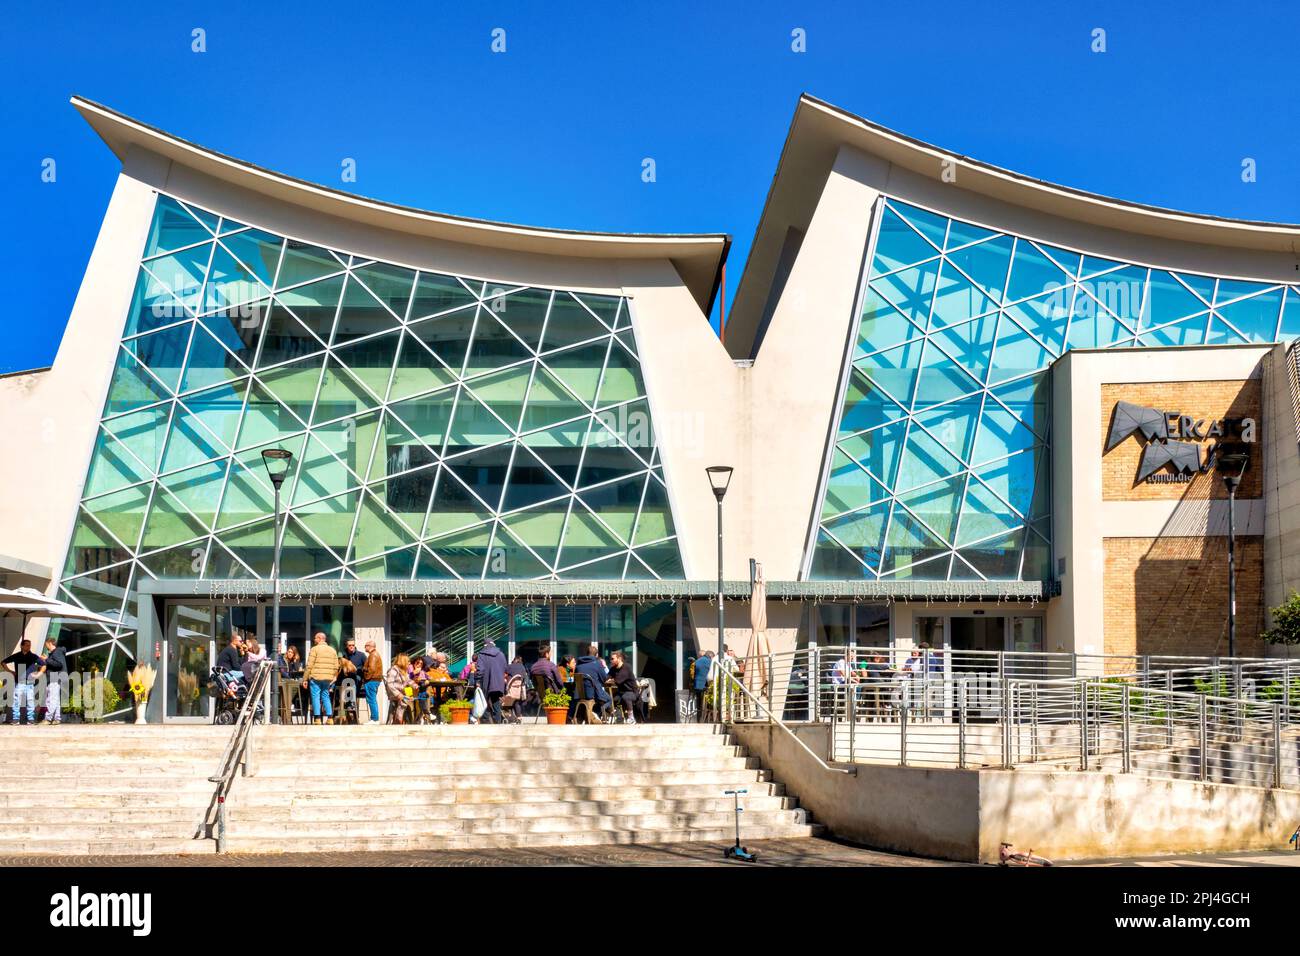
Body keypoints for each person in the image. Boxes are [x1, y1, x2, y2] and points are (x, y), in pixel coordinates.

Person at [2, 639, 42, 725]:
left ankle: (30, 719)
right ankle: (16, 719)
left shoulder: (33, 656)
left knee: (30, 700)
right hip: (19, 682)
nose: (29, 647)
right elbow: (3, 662)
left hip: (30, 682)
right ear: (22, 646)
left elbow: (44, 664)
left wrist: (39, 674)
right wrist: (10, 671)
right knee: (16, 701)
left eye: (29, 645)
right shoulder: (17, 656)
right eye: (27, 645)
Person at [303, 632, 340, 725]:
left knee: (315, 697)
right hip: (328, 678)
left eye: (315, 638)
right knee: (325, 696)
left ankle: (317, 718)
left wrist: (305, 679)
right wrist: (332, 676)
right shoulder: (332, 650)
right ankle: (330, 718)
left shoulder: (314, 649)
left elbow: (309, 665)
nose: (314, 640)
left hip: (316, 677)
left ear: (320, 638)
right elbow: (336, 666)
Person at [607, 650, 645, 724]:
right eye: (611, 659)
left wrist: (611, 680)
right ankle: (619, 717)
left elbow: (618, 680)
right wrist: (608, 679)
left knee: (626, 696)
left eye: (612, 659)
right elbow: (606, 678)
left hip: (633, 692)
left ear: (619, 658)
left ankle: (631, 718)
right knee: (610, 700)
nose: (611, 660)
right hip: (621, 693)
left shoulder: (626, 667)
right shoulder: (613, 669)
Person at [35, 637, 68, 725]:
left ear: (50, 643)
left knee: (51, 699)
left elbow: (59, 665)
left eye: (46, 644)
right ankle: (57, 718)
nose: (46, 646)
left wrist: (46, 660)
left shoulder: (57, 652)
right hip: (56, 678)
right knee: (55, 700)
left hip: (55, 678)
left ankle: (48, 718)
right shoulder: (56, 652)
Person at [575, 643, 611, 720]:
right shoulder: (597, 664)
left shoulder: (578, 664)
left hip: (580, 694)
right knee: (609, 699)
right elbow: (604, 678)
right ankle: (598, 713)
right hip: (594, 694)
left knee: (599, 698)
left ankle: (594, 715)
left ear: (587, 654)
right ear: (596, 655)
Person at [475, 641, 507, 724]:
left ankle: (486, 721)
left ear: (484, 645)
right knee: (496, 701)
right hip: (498, 682)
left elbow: (480, 669)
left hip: (485, 681)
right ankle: (497, 721)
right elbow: (505, 667)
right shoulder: (501, 654)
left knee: (483, 701)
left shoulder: (481, 655)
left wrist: (478, 679)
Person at [385, 653, 413, 725]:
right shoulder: (393, 670)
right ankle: (394, 723)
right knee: (399, 712)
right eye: (408, 661)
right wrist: (398, 694)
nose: (409, 663)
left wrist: (415, 686)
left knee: (408, 709)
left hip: (403, 694)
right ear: (403, 661)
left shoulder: (404, 671)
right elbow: (389, 684)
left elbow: (408, 682)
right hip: (395, 695)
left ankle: (403, 723)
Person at [362, 640, 384, 723]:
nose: (365, 647)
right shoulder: (374, 654)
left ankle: (374, 719)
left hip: (372, 680)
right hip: (374, 680)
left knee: (371, 699)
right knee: (372, 699)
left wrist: (366, 678)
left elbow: (372, 669)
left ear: (370, 646)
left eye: (366, 646)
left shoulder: (373, 655)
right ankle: (373, 718)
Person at [504, 654, 529, 722]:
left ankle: (509, 716)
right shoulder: (523, 667)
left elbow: (504, 673)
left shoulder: (510, 666)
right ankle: (518, 717)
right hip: (519, 691)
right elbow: (524, 679)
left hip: (510, 690)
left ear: (515, 660)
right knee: (516, 702)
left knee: (508, 700)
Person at [693, 649, 714, 721]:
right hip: (704, 686)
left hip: (696, 685)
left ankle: (699, 718)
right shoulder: (709, 662)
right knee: (707, 703)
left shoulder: (697, 661)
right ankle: (705, 718)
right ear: (711, 656)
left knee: (699, 703)